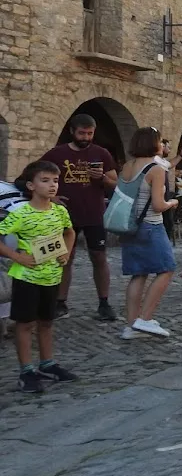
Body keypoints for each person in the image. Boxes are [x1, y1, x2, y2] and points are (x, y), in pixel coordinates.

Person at [0, 160, 77, 393]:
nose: (52, 185)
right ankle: (26, 370)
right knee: (24, 325)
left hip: (52, 277)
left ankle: (48, 363)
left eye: (55, 181)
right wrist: (17, 257)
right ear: (31, 186)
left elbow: (69, 231)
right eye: (45, 181)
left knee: (46, 322)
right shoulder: (21, 213)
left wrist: (66, 250)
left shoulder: (60, 211)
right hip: (27, 277)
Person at [39, 113, 118, 321]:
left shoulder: (101, 153)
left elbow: (114, 183)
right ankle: (60, 302)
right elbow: (34, 178)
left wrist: (101, 178)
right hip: (64, 216)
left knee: (99, 257)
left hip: (94, 214)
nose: (85, 137)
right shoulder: (56, 154)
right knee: (65, 258)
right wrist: (52, 197)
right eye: (82, 133)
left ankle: (104, 302)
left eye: (90, 133)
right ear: (72, 131)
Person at [118, 127, 177, 341]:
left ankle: (131, 325)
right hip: (151, 225)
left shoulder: (126, 167)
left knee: (138, 273)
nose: (162, 145)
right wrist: (173, 202)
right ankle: (145, 317)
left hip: (130, 226)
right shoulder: (156, 169)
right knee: (167, 269)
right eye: (161, 141)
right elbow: (159, 204)